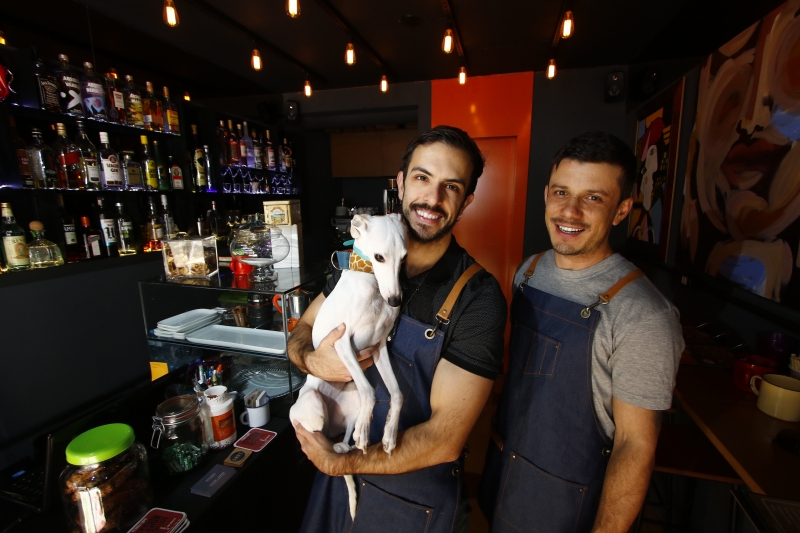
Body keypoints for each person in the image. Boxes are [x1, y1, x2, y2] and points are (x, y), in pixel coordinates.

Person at [288, 125, 507, 533]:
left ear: (468, 200)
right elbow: (302, 328)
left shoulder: (478, 298)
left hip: (412, 504)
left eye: (452, 187)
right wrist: (312, 359)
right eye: (423, 178)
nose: (433, 199)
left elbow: (445, 438)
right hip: (336, 481)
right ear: (402, 183)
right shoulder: (356, 261)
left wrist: (345, 460)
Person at [479, 131, 684, 532]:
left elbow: (635, 446)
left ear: (622, 210)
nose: (569, 211)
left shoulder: (643, 314)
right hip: (506, 473)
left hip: (569, 503)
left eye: (593, 198)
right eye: (561, 192)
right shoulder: (529, 271)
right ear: (546, 193)